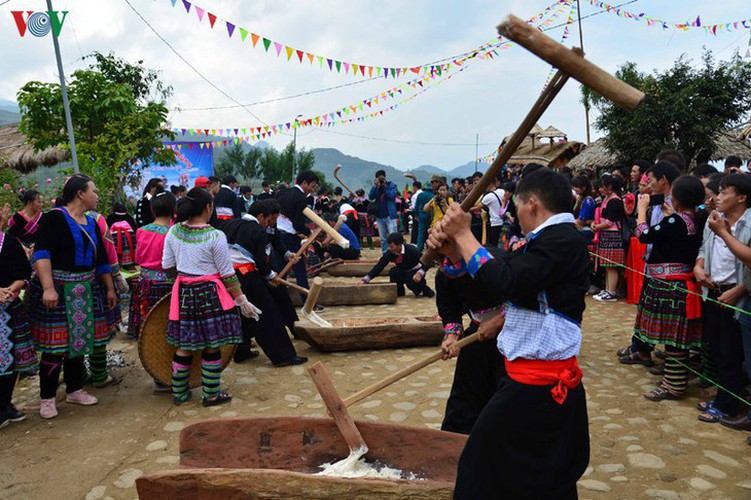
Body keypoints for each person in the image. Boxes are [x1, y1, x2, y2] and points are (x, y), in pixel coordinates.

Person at [429, 167, 589, 498]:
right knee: (540, 472)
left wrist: (463, 233)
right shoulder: (547, 241)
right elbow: (506, 274)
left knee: (479, 468)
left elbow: (503, 281)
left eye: (515, 206)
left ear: (532, 204)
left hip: (539, 388)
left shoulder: (563, 240)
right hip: (528, 383)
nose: (514, 213)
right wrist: (456, 253)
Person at [28, 175, 118, 419]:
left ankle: (74, 389)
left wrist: (109, 288)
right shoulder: (54, 218)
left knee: (80, 342)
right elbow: (43, 254)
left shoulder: (90, 222)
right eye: (94, 191)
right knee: (54, 346)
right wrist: (48, 287)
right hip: (58, 289)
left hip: (85, 290)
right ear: (80, 194)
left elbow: (101, 260)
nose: (97, 195)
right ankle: (47, 398)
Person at [163, 187, 259, 407]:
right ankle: (211, 394)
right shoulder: (215, 236)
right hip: (210, 295)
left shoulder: (174, 232)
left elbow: (167, 266)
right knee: (211, 345)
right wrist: (242, 300)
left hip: (184, 294)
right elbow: (227, 274)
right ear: (208, 208)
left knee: (184, 344)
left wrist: (184, 276)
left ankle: (179, 393)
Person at [620, 176, 704, 402]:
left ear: (677, 198)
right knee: (675, 339)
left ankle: (674, 387)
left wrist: (641, 210)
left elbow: (644, 235)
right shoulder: (687, 219)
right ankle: (672, 381)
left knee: (673, 339)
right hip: (676, 284)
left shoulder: (676, 222)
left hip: (670, 286)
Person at [693, 174, 751, 422]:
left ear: (741, 197)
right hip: (713, 291)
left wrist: (739, 290)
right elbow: (705, 248)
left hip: (736, 295)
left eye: (724, 192)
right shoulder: (714, 221)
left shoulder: (748, 224)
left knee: (732, 353)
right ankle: (725, 397)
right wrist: (699, 266)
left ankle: (728, 405)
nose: (717, 198)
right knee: (715, 347)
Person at [222, 199, 308, 367]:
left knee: (243, 314)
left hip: (229, 277)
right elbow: (261, 262)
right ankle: (283, 356)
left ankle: (242, 351)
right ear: (261, 216)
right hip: (247, 275)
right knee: (267, 315)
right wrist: (271, 275)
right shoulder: (257, 230)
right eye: (270, 220)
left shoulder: (229, 225)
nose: (270, 224)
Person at [436, 245, 505, 435]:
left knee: (504, 391)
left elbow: (525, 295)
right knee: (464, 394)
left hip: (512, 332)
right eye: (440, 262)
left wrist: (500, 320)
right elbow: (448, 307)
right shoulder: (443, 274)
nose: (445, 267)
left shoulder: (493, 262)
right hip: (478, 333)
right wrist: (452, 336)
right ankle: (456, 439)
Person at [0, 230, 37, 428]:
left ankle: (5, 403)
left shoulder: (10, 243)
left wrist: (11, 288)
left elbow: (24, 275)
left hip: (9, 307)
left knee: (11, 357)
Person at [127, 192, 176, 341]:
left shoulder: (141, 231)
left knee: (148, 323)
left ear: (153, 210)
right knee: (163, 324)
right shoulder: (173, 233)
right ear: (174, 209)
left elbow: (137, 257)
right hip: (167, 284)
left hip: (144, 283)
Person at [277, 171, 319, 301]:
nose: (311, 190)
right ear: (304, 183)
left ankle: (281, 301)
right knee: (300, 269)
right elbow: (297, 224)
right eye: (311, 186)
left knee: (281, 269)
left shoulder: (283, 192)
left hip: (277, 235)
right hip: (289, 236)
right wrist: (308, 232)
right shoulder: (300, 197)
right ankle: (307, 301)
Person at [358, 232, 434, 298]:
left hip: (415, 271)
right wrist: (366, 279)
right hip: (403, 270)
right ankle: (399, 292)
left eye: (392, 246)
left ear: (399, 245)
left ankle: (425, 290)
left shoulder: (412, 250)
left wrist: (420, 273)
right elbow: (379, 266)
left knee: (410, 280)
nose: (390, 249)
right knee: (393, 272)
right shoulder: (390, 253)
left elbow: (427, 262)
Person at [592, 174, 626, 302]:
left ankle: (612, 292)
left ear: (609, 187)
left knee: (611, 265)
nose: (599, 190)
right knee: (606, 265)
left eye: (601, 187)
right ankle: (607, 289)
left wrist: (597, 227)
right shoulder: (606, 199)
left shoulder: (614, 201)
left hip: (613, 236)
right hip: (605, 235)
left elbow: (609, 222)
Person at [368, 169, 398, 253]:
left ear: (385, 177)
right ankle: (385, 254)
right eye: (378, 178)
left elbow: (392, 196)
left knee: (393, 237)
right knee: (383, 238)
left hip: (390, 215)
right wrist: (375, 186)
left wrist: (385, 186)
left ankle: (395, 254)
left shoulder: (392, 185)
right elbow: (371, 197)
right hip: (379, 216)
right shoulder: (376, 187)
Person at [107, 203, 138, 268]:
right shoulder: (129, 217)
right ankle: (130, 263)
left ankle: (116, 263)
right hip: (129, 239)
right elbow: (134, 229)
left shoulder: (110, 217)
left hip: (115, 240)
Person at [480, 179, 505, 246]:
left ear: (490, 184)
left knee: (493, 245)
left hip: (494, 223)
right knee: (502, 244)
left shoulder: (488, 197)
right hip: (503, 222)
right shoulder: (502, 191)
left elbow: (477, 208)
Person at [414, 179, 435, 251]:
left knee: (421, 233)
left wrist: (416, 215)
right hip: (430, 216)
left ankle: (419, 249)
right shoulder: (433, 195)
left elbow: (416, 206)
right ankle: (429, 248)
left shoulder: (420, 195)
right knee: (430, 232)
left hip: (421, 215)